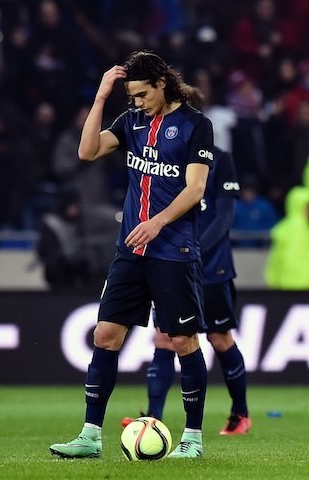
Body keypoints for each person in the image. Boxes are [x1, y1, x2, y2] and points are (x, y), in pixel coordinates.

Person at [49, 51, 213, 459]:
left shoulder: (196, 125)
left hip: (174, 250)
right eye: (130, 95)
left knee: (183, 341)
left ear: (161, 82)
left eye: (141, 94)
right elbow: (86, 152)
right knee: (105, 335)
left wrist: (157, 222)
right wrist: (101, 96)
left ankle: (192, 438)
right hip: (131, 249)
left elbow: (195, 190)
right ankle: (89, 435)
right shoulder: (131, 121)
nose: (136, 102)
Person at [123, 85, 251, 435]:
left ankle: (240, 413)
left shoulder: (221, 159)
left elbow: (224, 218)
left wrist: (194, 248)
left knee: (219, 338)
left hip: (210, 265)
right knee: (164, 338)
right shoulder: (159, 158)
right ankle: (153, 418)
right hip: (171, 262)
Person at [264, 185, 309, 290]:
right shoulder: (298, 227)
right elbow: (291, 258)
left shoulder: (289, 225)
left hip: (290, 284)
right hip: (295, 286)